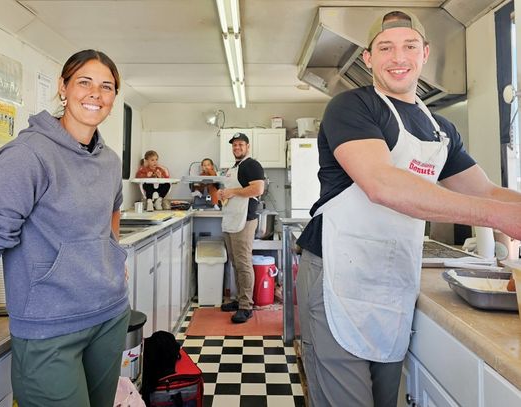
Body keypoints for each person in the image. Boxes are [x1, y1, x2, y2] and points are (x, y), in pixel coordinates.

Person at [295, 10, 521, 407]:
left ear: (424, 54)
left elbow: (485, 190)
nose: (398, 57)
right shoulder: (351, 107)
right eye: (385, 47)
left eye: (409, 46)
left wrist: (509, 208)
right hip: (336, 273)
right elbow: (382, 184)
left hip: (391, 282)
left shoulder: (441, 129)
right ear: (368, 59)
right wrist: (496, 217)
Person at [0, 49, 131, 407]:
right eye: (84, 82)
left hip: (109, 314)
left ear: (113, 97)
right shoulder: (26, 156)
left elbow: (113, 210)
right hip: (49, 326)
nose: (96, 93)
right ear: (63, 88)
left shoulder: (109, 160)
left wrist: (113, 257)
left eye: (106, 86)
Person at [219, 133, 265, 323]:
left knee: (244, 262)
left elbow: (258, 189)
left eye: (240, 144)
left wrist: (231, 192)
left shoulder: (251, 165)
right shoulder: (235, 167)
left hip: (244, 219)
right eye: (234, 145)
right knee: (236, 262)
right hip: (232, 218)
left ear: (247, 146)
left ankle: (246, 306)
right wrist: (224, 193)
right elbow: (235, 191)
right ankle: (239, 300)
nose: (237, 147)